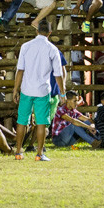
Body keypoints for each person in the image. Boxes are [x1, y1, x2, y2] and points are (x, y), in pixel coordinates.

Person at [12, 20, 66, 161]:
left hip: (26, 89)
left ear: (36, 31)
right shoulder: (53, 49)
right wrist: (62, 92)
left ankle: (18, 152)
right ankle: (39, 154)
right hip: (43, 90)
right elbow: (58, 74)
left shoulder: (26, 46)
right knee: (41, 122)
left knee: (22, 121)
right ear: (49, 33)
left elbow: (20, 70)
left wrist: (15, 90)